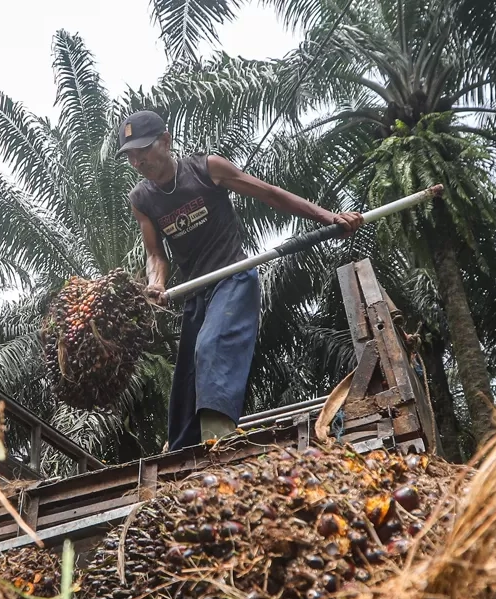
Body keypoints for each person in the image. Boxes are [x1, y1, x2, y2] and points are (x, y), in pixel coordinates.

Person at [120, 110, 364, 450]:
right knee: (186, 380)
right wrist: (157, 283)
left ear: (165, 140)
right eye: (130, 155)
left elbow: (270, 193)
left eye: (142, 150)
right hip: (196, 292)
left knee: (211, 347)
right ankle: (181, 456)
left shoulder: (207, 170)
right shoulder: (142, 199)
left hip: (233, 278)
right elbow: (155, 255)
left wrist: (329, 217)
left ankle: (218, 442)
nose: (137, 160)